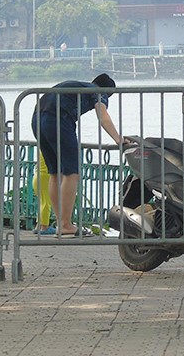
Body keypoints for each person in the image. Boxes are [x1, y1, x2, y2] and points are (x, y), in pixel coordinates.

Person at [31, 73, 125, 237]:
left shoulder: (78, 84)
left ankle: (61, 223)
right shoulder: (98, 92)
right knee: (71, 173)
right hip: (59, 120)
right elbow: (103, 117)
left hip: (37, 119)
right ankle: (66, 224)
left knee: (54, 173)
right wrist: (119, 140)